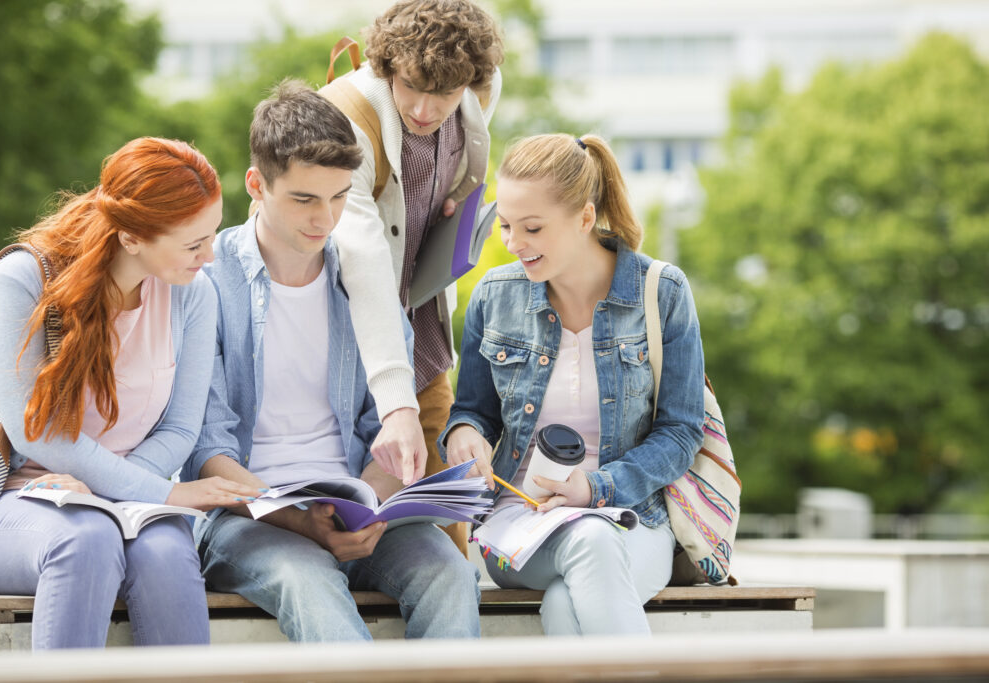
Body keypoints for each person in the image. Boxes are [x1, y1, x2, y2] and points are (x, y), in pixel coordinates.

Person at [183, 80, 480, 642]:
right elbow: (205, 448)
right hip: (246, 517)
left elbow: (381, 430)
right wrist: (300, 522)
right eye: (304, 199)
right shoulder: (207, 280)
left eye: (340, 197)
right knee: (309, 581)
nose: (325, 219)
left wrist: (365, 512)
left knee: (448, 572)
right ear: (257, 184)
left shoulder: (363, 278)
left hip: (355, 508)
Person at [0, 137, 260, 650]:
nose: (209, 255)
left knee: (166, 555)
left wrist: (114, 491)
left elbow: (179, 428)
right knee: (85, 540)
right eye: (194, 243)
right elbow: (34, 434)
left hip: (132, 499)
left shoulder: (194, 292)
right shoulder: (26, 278)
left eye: (211, 235)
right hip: (14, 498)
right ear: (130, 237)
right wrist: (165, 493)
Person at [442, 133, 706, 636]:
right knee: (590, 543)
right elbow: (472, 410)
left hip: (632, 519)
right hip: (519, 525)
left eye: (533, 228)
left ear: (585, 218)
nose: (513, 243)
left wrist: (597, 488)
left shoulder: (662, 291)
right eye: (504, 226)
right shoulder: (494, 297)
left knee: (569, 599)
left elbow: (680, 432)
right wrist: (463, 434)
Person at [329, 0, 504, 554]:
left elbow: (460, 160)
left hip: (422, 331)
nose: (426, 110)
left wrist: (451, 197)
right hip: (339, 336)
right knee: (343, 525)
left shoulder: (480, 88)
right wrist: (395, 401)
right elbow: (361, 258)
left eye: (445, 95)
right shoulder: (345, 119)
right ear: (384, 66)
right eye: (411, 87)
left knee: (447, 524)